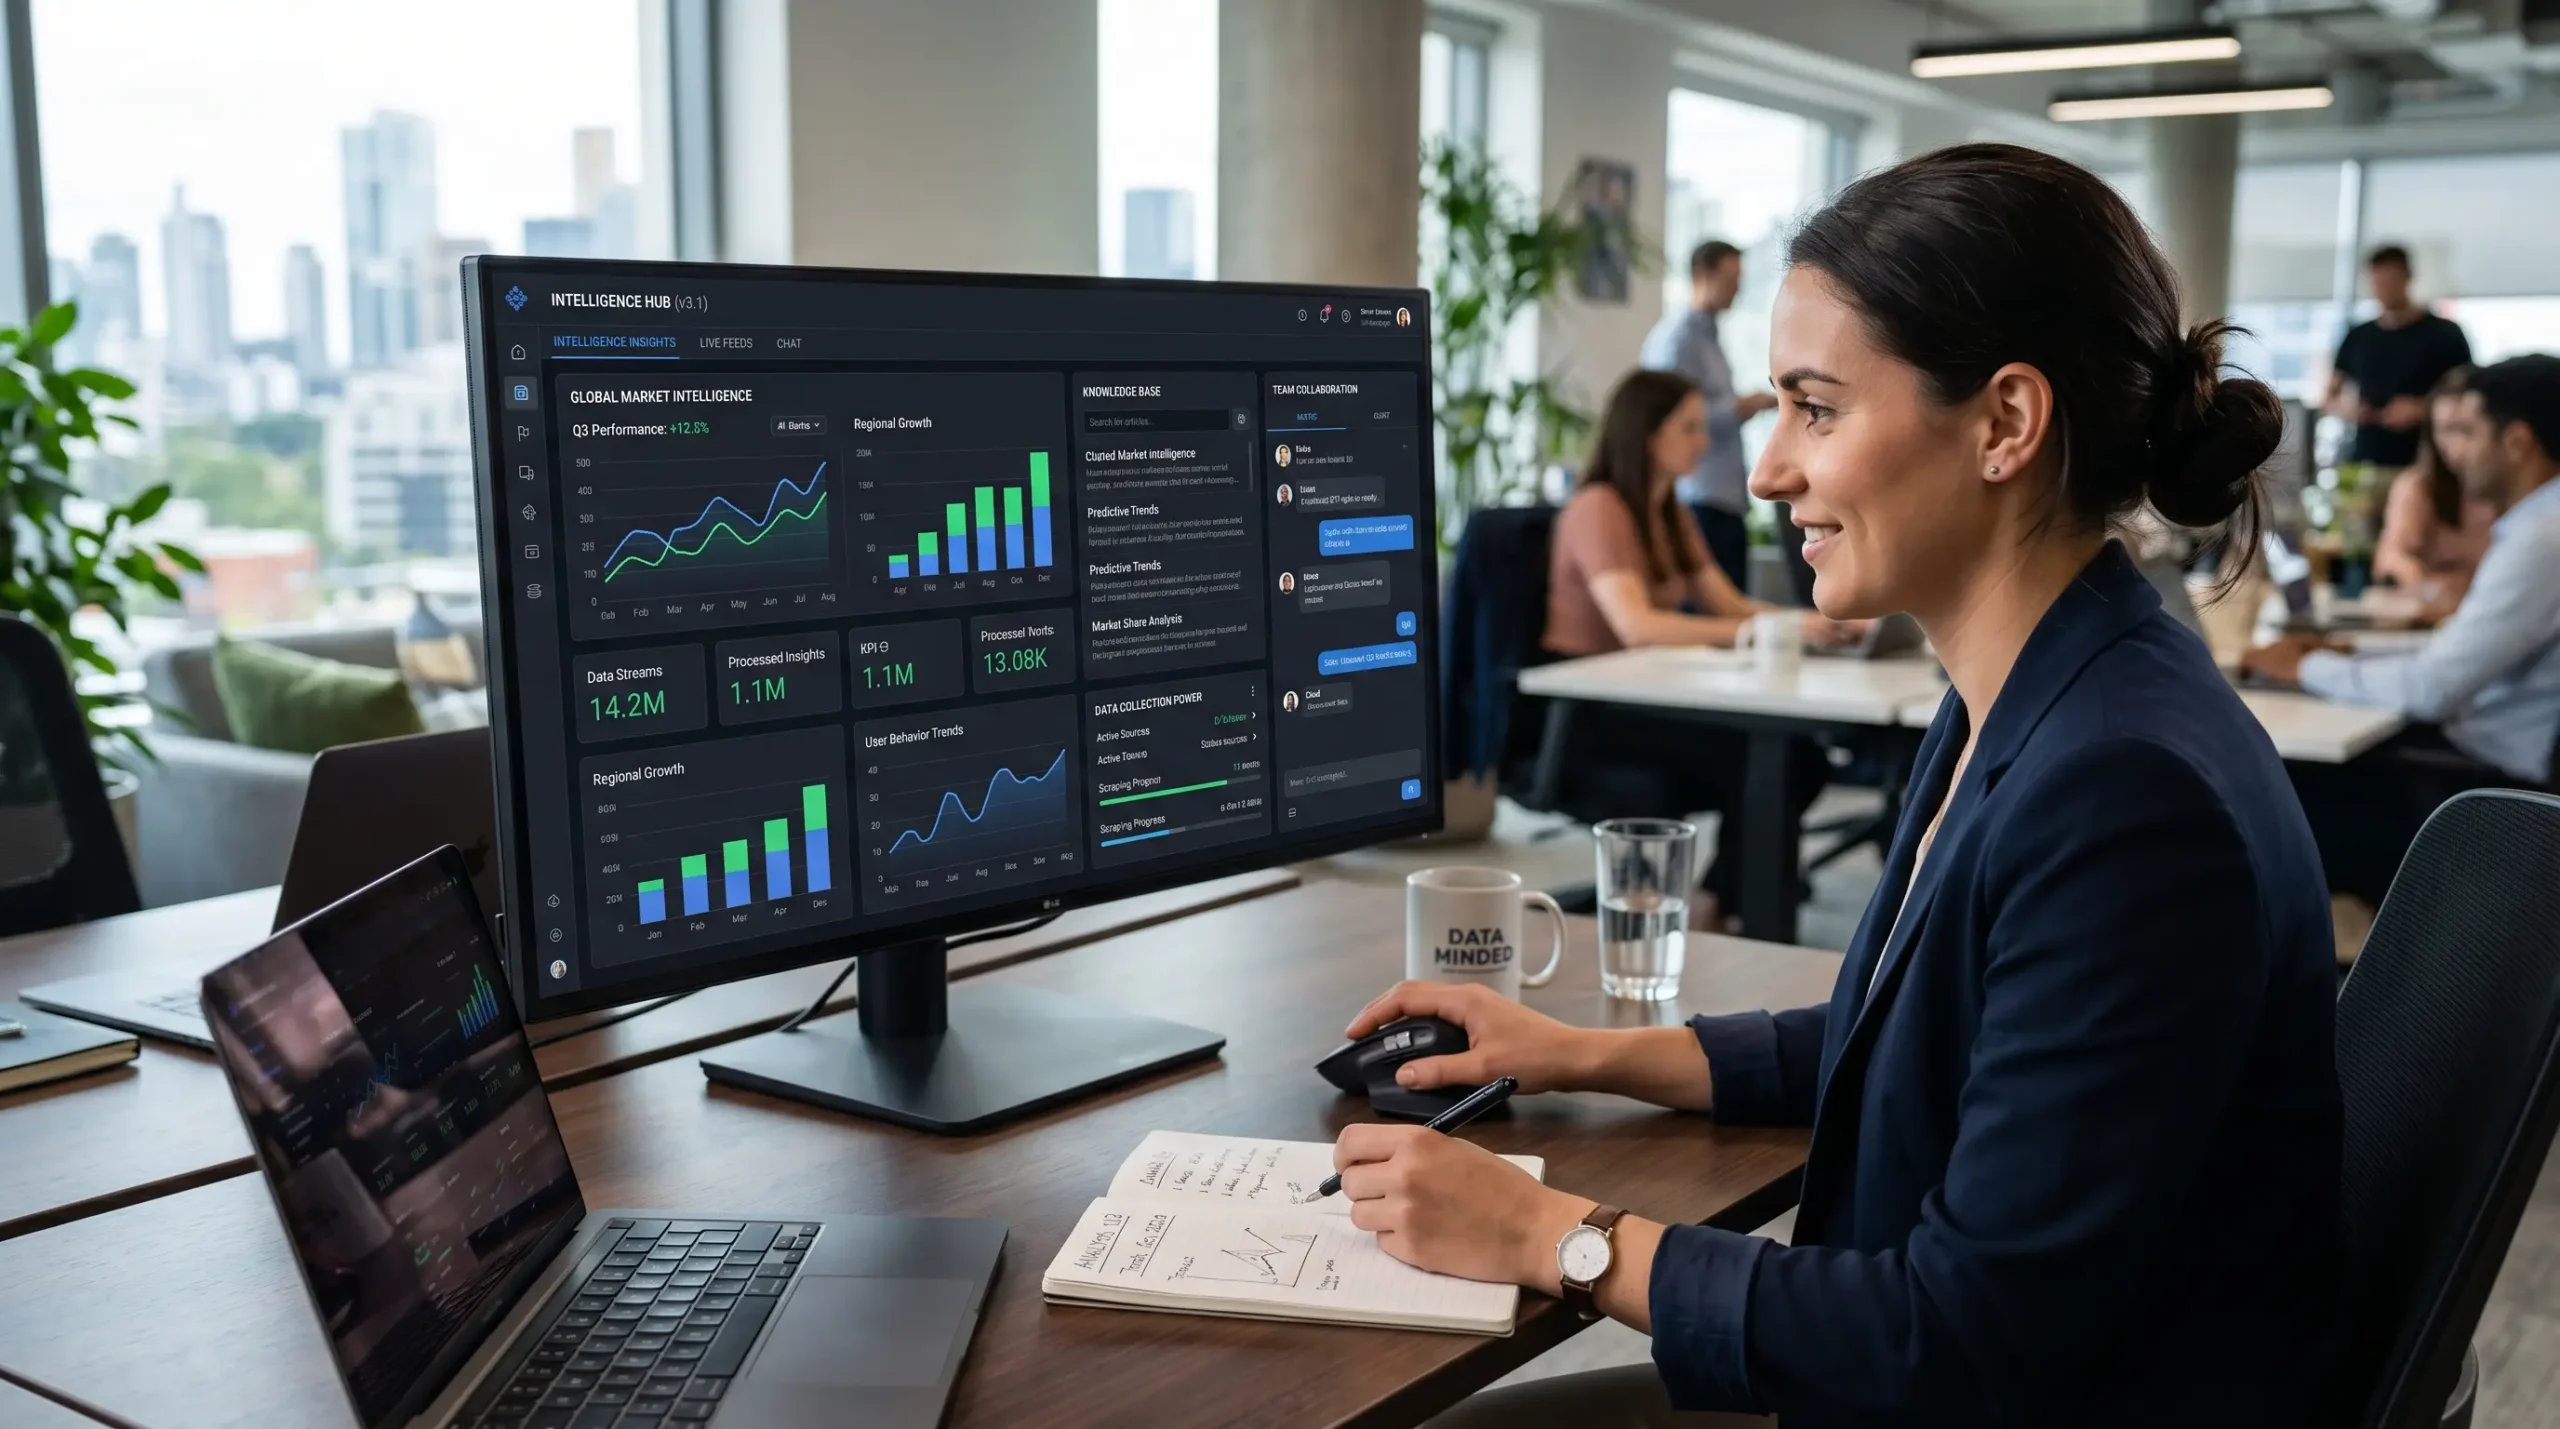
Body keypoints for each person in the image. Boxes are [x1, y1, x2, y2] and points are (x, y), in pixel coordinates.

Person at [1346, 144, 2341, 1427]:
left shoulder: (2123, 793)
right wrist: (1579, 1051)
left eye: (1816, 408)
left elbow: (1956, 1340)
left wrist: (1556, 1236)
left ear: (2004, 424)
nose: (1766, 472)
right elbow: (1914, 1030)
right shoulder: (2038, 686)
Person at [1543, 368, 1852, 928]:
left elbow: (1729, 605)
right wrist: (1752, 634)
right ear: (1647, 435)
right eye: (1688, 428)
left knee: (1795, 758)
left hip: (1643, 700)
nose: (1703, 440)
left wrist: (1809, 621)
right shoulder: (1599, 508)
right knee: (1767, 761)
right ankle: (1745, 913)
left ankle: (1721, 900)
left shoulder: (1669, 512)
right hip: (1586, 712)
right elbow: (1637, 626)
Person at [2247, 355, 2560, 908]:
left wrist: (2306, 667)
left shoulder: (2541, 540)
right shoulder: (2539, 527)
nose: (2455, 453)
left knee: (2265, 790)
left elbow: (2434, 689)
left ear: (2516, 442)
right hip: (2483, 772)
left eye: (2471, 433)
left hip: (2482, 791)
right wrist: (2351, 651)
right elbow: (2463, 652)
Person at [1641, 240, 1778, 591]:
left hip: (1725, 495)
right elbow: (1669, 419)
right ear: (1703, 275)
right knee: (1706, 615)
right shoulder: (1677, 339)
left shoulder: (1710, 337)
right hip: (1699, 497)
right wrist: (1743, 405)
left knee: (1731, 609)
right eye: (1731, 278)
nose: (1737, 290)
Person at [2326, 244, 2472, 471]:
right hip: (2367, 462)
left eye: (2391, 280)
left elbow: (2469, 397)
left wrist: (2422, 409)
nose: (2384, 289)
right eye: (2378, 281)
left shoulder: (2445, 334)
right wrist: (2349, 409)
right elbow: (2329, 397)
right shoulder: (2358, 336)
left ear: (2408, 278)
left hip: (2428, 463)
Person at [2371, 367, 2493, 608]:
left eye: (2466, 430)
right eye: (2444, 430)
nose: (2455, 446)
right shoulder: (2419, 485)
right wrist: (2421, 582)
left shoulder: (2517, 488)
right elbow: (2390, 557)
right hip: (2444, 612)